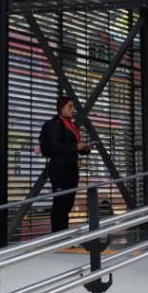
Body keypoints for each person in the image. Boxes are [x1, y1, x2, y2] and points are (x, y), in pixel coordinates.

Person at [39, 95, 91, 232]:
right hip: (60, 170)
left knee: (68, 204)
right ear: (61, 108)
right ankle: (58, 237)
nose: (72, 109)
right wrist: (76, 147)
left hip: (71, 169)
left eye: (73, 106)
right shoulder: (55, 125)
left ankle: (64, 236)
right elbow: (54, 148)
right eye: (69, 106)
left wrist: (85, 149)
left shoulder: (71, 124)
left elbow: (71, 146)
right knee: (60, 204)